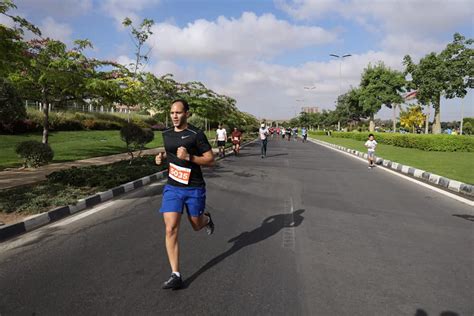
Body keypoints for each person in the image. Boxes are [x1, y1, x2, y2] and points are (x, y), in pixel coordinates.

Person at [155, 99, 215, 290]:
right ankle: (176, 274)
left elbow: (210, 159)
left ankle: (206, 219)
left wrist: (189, 157)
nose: (174, 116)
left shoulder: (196, 134)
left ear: (187, 114)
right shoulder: (166, 134)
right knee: (170, 228)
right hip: (173, 187)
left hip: (194, 188)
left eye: (178, 113)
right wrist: (162, 157)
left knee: (196, 225)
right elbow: (170, 151)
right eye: (172, 112)